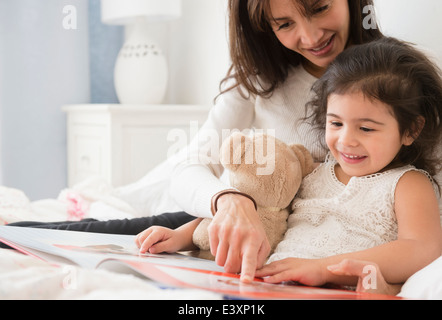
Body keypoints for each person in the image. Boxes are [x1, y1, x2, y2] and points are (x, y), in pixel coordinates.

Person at [4, 0, 385, 280]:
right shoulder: (260, 80)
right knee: (69, 236)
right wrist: (228, 200)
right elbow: (187, 166)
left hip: (298, 234)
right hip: (215, 213)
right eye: (284, 24)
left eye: (319, 8)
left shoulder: (395, 79)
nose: (309, 36)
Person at [136, 37, 442, 291]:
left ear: (411, 130)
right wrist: (182, 236)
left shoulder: (407, 183)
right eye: (335, 123)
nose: (346, 140)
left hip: (331, 289)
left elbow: (422, 247)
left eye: (366, 128)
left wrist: (323, 269)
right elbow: (263, 210)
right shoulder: (311, 172)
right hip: (272, 283)